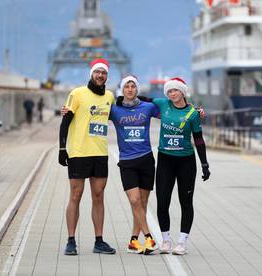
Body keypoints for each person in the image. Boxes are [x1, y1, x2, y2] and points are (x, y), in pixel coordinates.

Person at [126, 77, 210, 255]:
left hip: (186, 161)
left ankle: (182, 242)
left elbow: (199, 140)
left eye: (175, 91)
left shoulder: (193, 114)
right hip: (165, 160)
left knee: (185, 202)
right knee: (163, 202)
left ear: (183, 92)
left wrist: (204, 164)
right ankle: (165, 240)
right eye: (169, 91)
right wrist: (122, 99)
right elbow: (142, 99)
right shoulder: (163, 104)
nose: (172, 94)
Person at [58, 58, 116, 255]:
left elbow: (124, 109)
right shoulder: (77, 94)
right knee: (76, 195)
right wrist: (61, 149)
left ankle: (99, 241)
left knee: (98, 196)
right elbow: (65, 122)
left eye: (104, 73)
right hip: (79, 153)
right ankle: (71, 240)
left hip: (100, 153)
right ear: (92, 73)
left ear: (107, 76)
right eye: (97, 72)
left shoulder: (109, 96)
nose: (101, 75)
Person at [109, 75, 160, 255]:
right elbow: (93, 114)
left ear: (137, 89)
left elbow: (171, 113)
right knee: (134, 200)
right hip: (127, 161)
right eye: (126, 87)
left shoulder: (148, 107)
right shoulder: (114, 110)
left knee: (143, 203)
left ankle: (133, 241)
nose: (129, 89)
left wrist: (194, 111)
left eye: (133, 86)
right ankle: (148, 237)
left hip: (146, 159)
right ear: (122, 90)